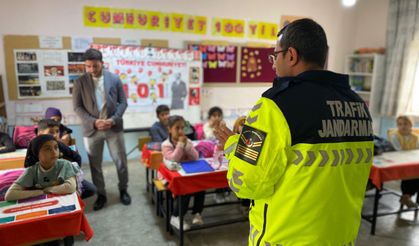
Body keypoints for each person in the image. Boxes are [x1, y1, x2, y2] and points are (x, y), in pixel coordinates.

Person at [215, 19, 374, 245]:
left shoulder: (274, 106)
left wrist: (233, 146)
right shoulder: (358, 105)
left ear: (291, 55)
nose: (273, 63)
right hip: (341, 237)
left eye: (275, 56)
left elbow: (246, 183)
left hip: (288, 237)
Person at [72, 48, 130, 211]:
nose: (91, 70)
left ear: (102, 64)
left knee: (121, 162)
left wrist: (113, 120)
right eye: (88, 66)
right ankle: (101, 194)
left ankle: (123, 190)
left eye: (95, 66)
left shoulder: (114, 78)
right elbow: (77, 107)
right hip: (92, 130)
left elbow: (123, 103)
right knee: (95, 165)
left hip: (113, 128)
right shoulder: (80, 82)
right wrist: (94, 122)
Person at [25, 119, 96, 199]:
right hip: (44, 182)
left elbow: (77, 157)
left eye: (57, 131)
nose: (55, 135)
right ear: (40, 134)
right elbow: (28, 167)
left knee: (91, 189)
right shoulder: (34, 147)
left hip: (64, 178)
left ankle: (72, 199)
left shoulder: (59, 144)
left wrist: (71, 174)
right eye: (51, 132)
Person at [162, 115, 205, 230]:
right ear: (169, 129)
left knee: (201, 185)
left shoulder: (188, 141)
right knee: (186, 189)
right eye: (177, 128)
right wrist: (181, 145)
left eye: (182, 128)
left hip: (186, 174)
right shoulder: (166, 145)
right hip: (170, 178)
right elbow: (173, 159)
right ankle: (176, 216)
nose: (181, 131)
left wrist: (187, 145)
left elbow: (195, 157)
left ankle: (197, 213)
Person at [5, 134, 80, 201]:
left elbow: (70, 187)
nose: (54, 152)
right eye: (48, 149)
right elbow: (9, 195)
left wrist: (46, 190)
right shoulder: (32, 170)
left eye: (56, 147)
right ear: (37, 153)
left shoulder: (65, 164)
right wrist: (40, 192)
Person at [389, 115, 419, 208]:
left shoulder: (416, 137)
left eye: (405, 124)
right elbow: (399, 151)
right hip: (398, 162)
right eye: (400, 124)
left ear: (411, 125)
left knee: (416, 174)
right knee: (411, 174)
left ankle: (406, 197)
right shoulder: (395, 136)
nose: (403, 126)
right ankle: (406, 197)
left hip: (411, 162)